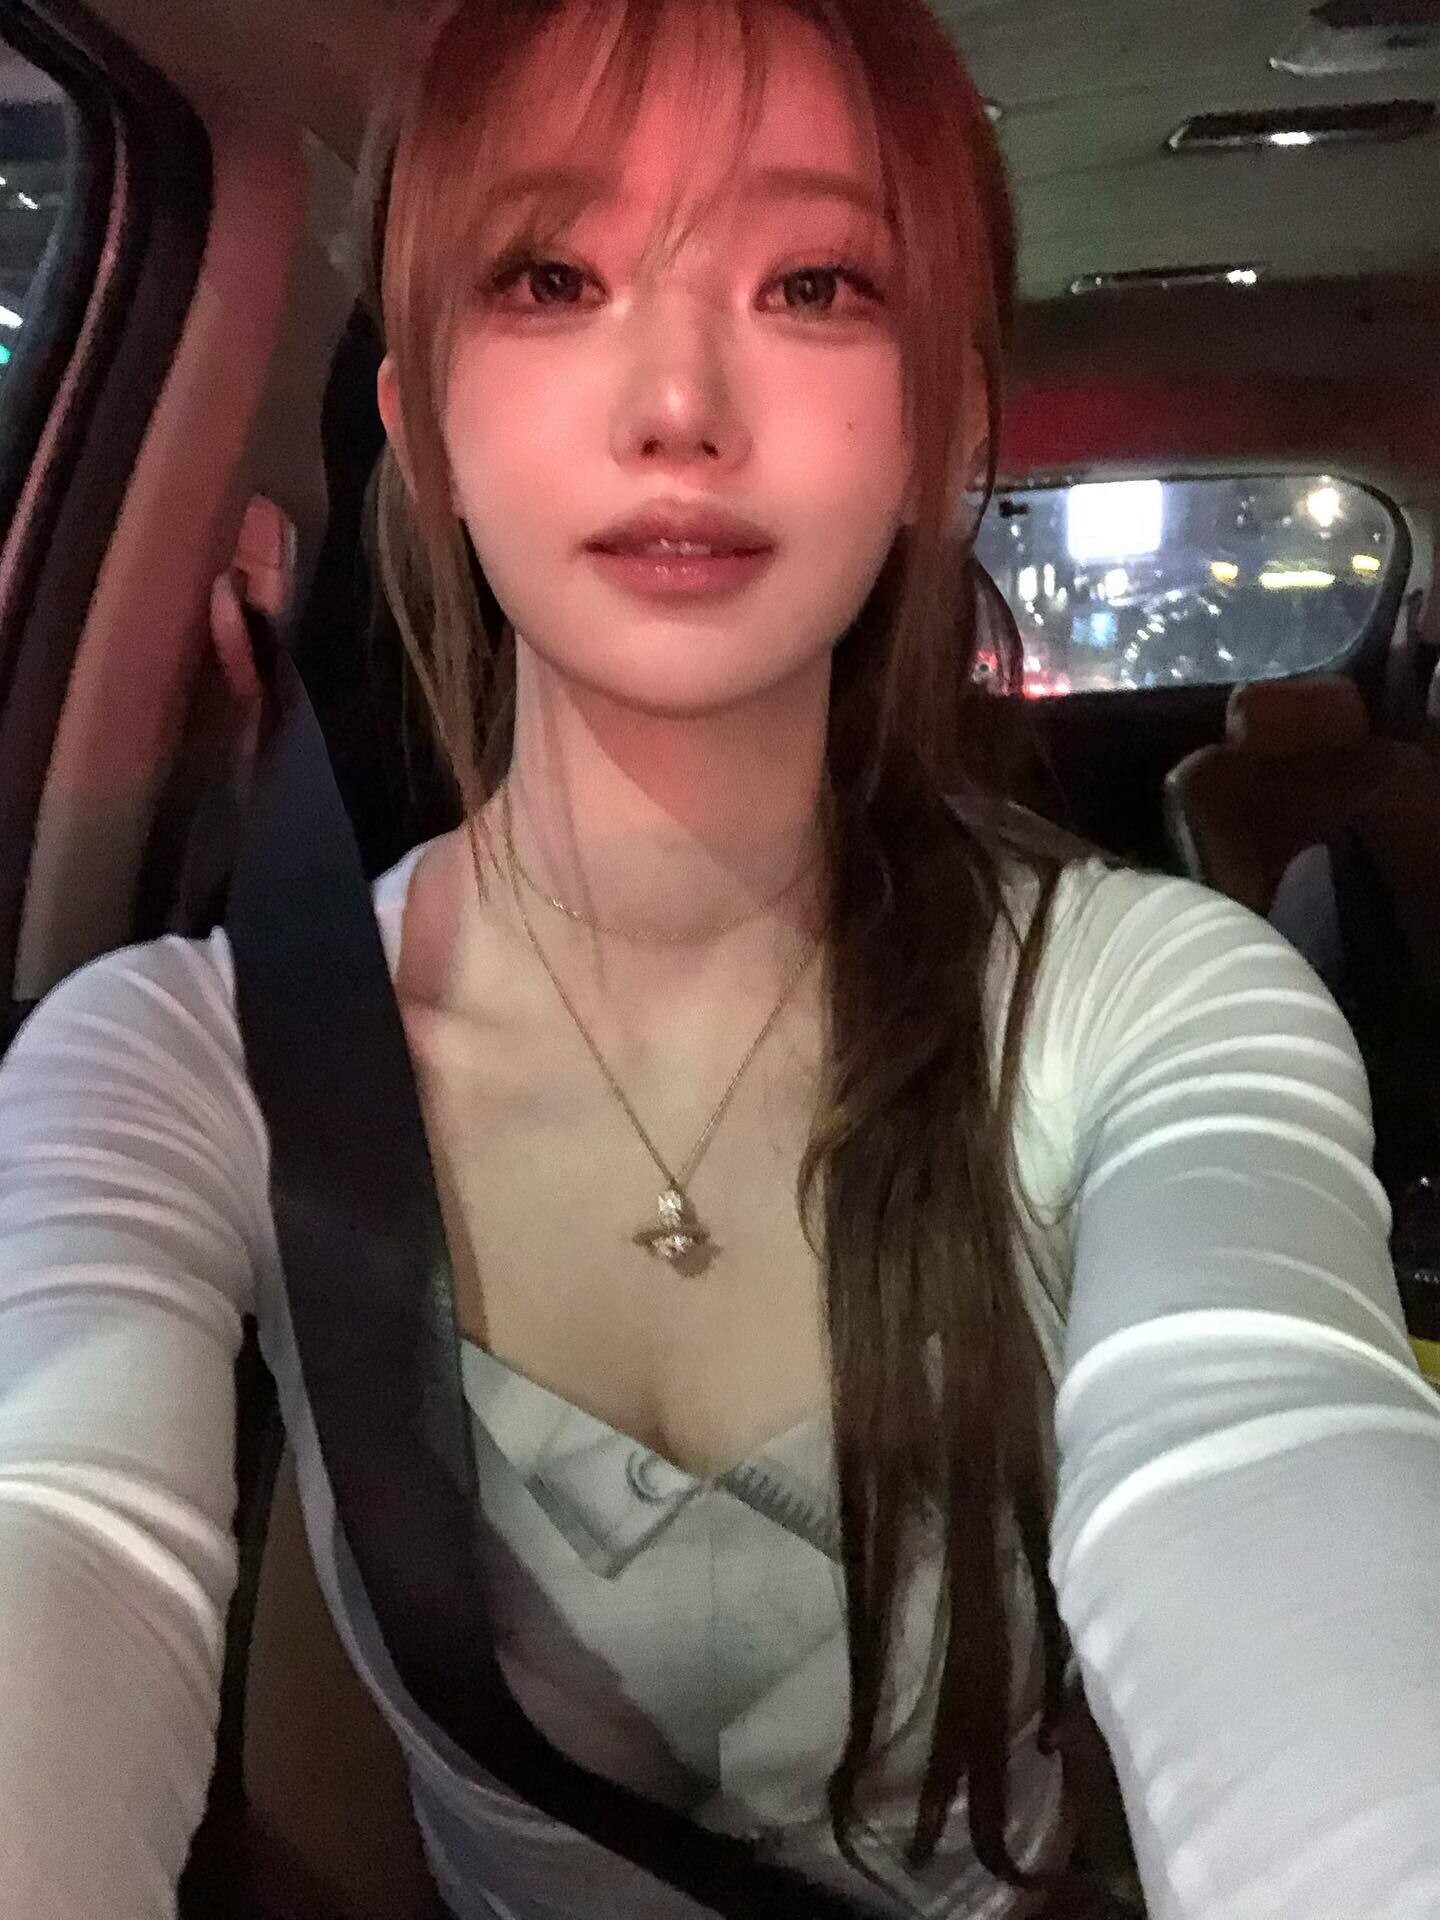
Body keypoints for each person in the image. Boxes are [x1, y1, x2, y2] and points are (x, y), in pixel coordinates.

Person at [3, 0, 1440, 1915]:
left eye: (814, 283)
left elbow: (1272, 1469)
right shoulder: (174, 1062)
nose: (678, 399)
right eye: (553, 276)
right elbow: (53, 1524)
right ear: (424, 431)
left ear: (940, 431)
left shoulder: (1153, 1005)